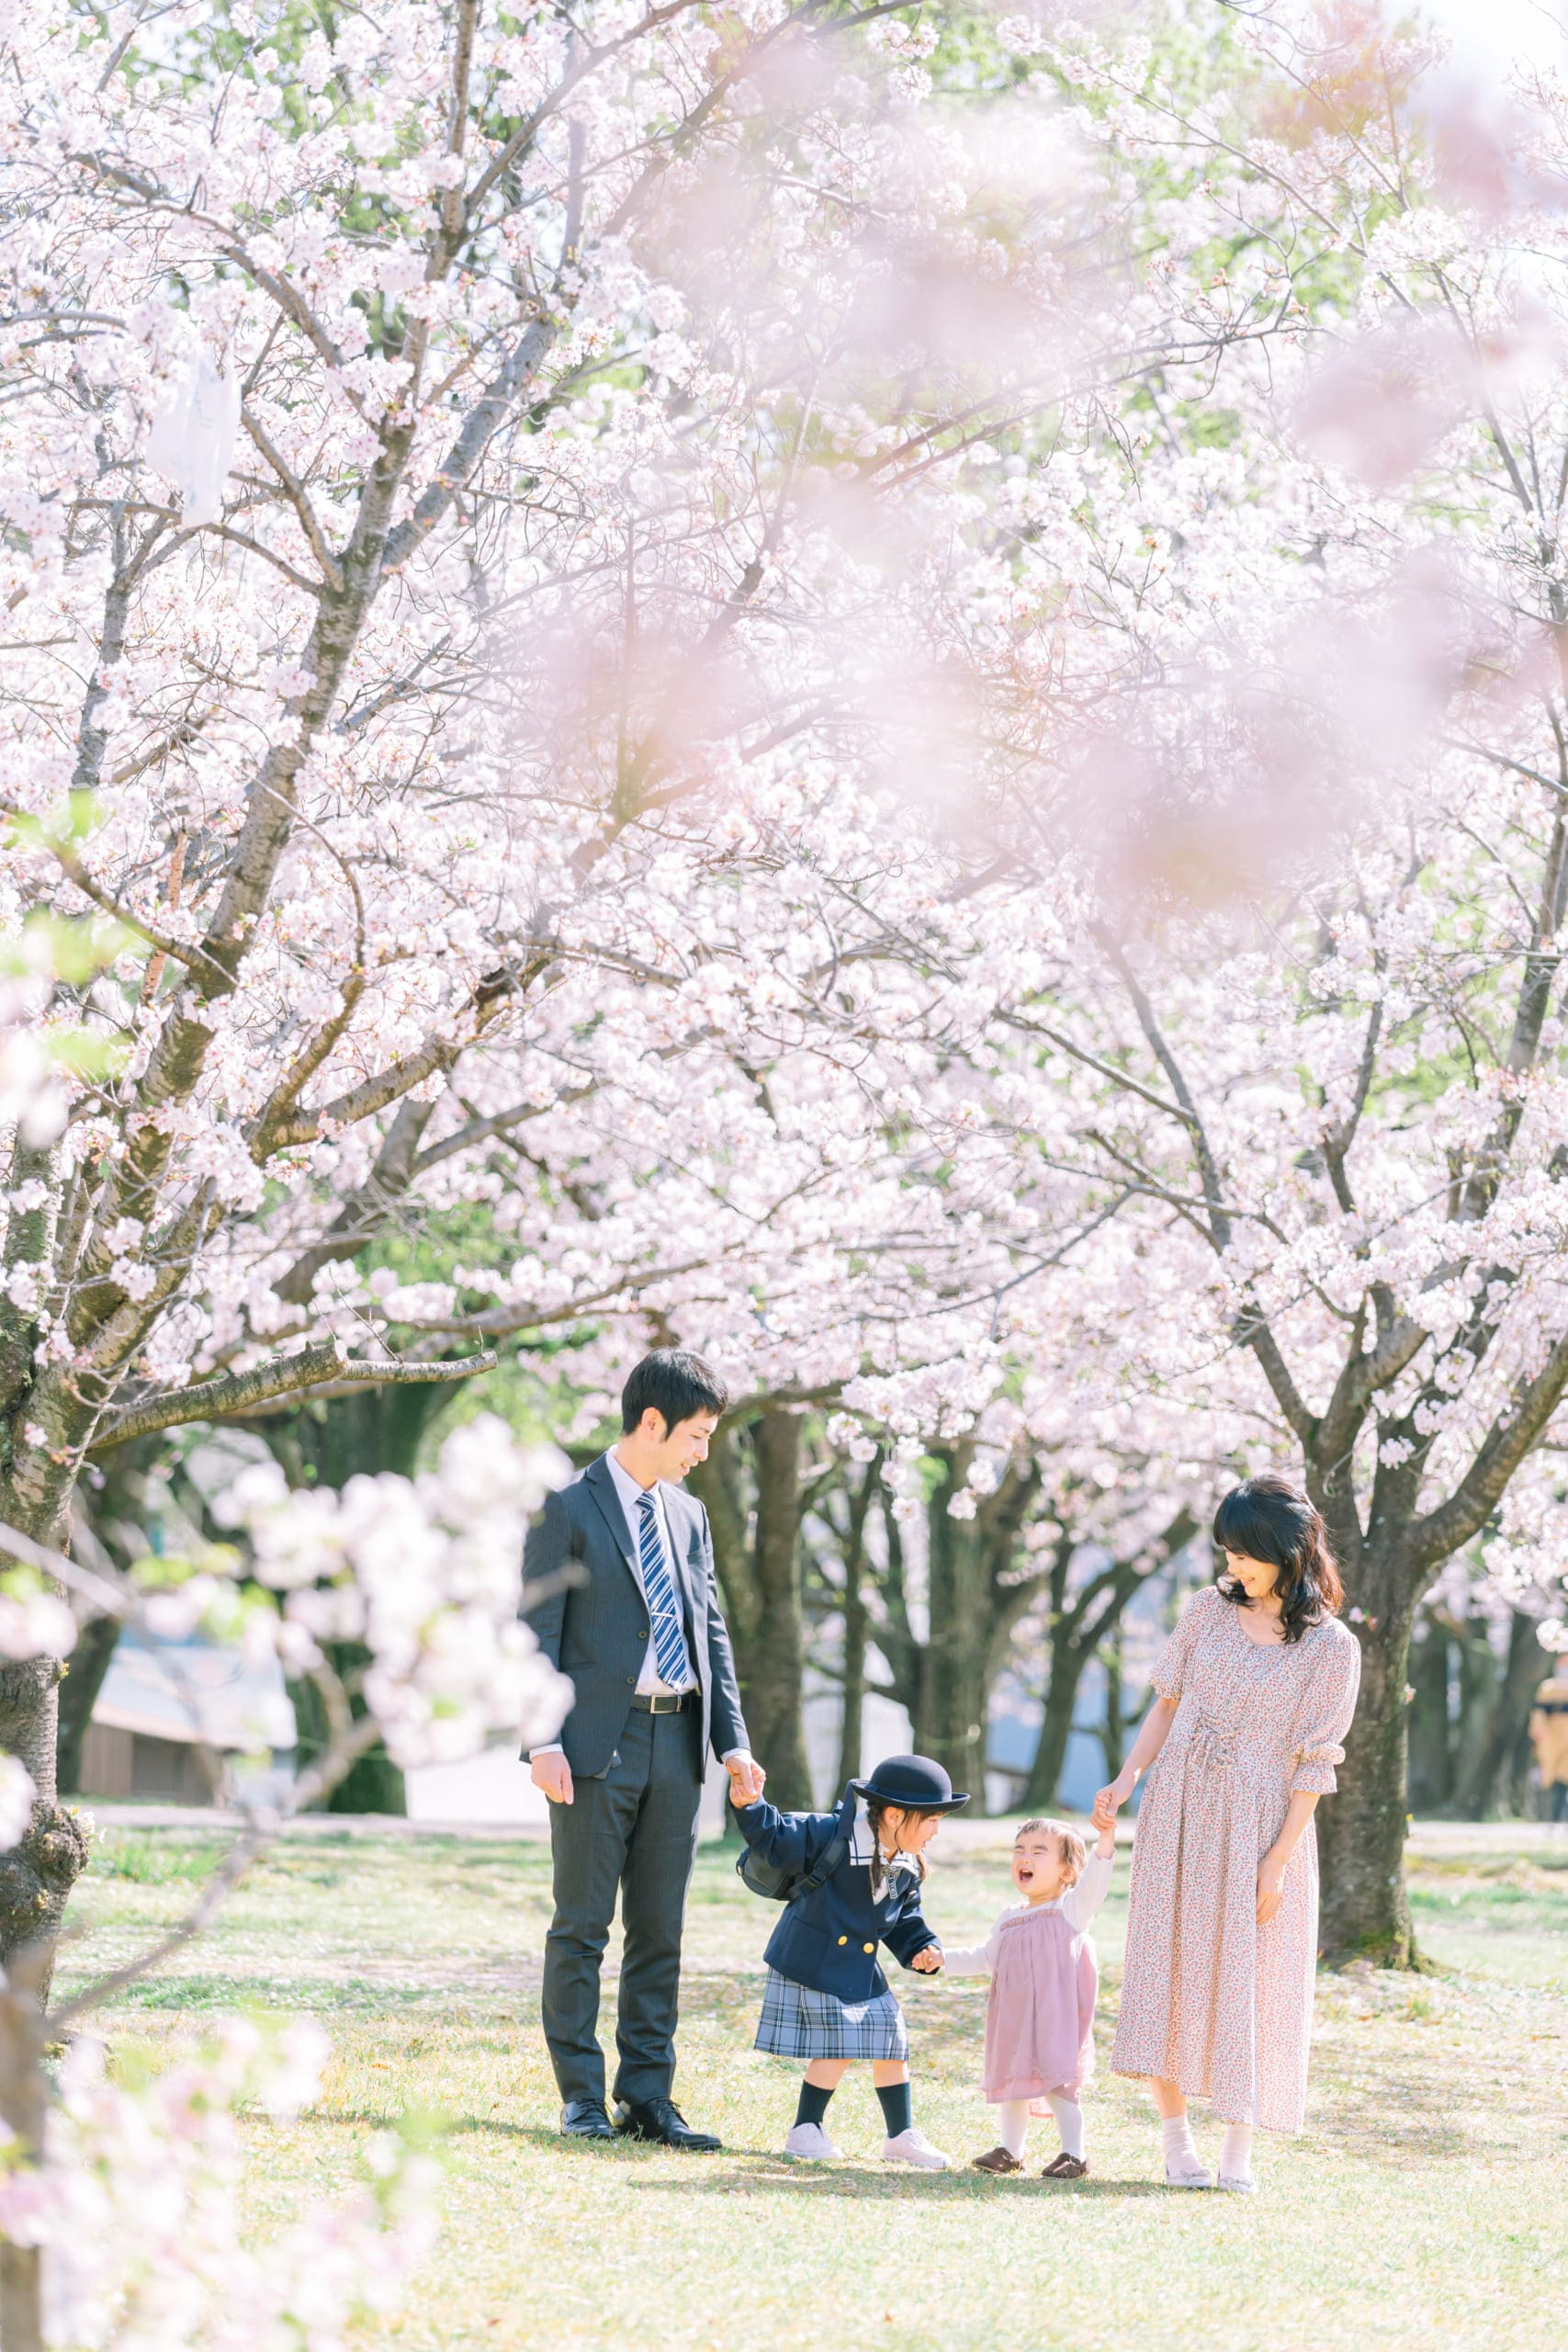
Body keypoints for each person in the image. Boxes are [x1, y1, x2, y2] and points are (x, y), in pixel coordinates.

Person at [523, 1349, 764, 2150]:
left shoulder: (687, 1514)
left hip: (678, 1739)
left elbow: (710, 1630)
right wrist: (540, 1742)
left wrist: (732, 1743)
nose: (702, 1452)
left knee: (660, 1928)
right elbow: (534, 1634)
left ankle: (648, 2098)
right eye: (696, 1435)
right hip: (595, 1742)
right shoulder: (565, 1507)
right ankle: (580, 2097)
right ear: (651, 1422)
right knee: (582, 1927)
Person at [1096, 1473, 1360, 2192]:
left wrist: (1276, 1861)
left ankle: (1237, 2151)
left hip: (1260, 1825)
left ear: (1288, 1550)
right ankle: (1176, 2141)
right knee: (1166, 1968)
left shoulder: (1331, 1648)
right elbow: (1164, 1705)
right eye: (1226, 1551)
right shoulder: (1206, 1612)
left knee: (1251, 1977)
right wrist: (1126, 1781)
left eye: (1246, 1552)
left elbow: (1313, 1767)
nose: (1232, 1566)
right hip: (1178, 1807)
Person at [730, 1753, 966, 2170]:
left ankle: (900, 2136)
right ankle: (805, 2130)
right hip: (814, 1957)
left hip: (858, 1963)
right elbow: (775, 1838)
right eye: (931, 1820)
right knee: (839, 2044)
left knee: (891, 2039)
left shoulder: (907, 1862)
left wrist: (920, 1948)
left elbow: (902, 1918)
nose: (936, 1831)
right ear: (894, 1815)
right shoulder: (831, 1834)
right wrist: (750, 1804)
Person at [941, 1815, 1114, 2180]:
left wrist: (1107, 1838)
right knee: (1013, 2080)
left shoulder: (1070, 1911)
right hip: (1015, 2020)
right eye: (1019, 1849)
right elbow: (985, 1958)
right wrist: (941, 1960)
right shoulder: (1008, 1919)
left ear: (1067, 1872)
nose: (1025, 1857)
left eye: (1039, 1851)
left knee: (1058, 2084)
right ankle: (1011, 2151)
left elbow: (1096, 1883)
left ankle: (1074, 2154)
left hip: (1055, 2018)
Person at [1529, 1668, 1568, 1822]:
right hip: (1553, 1737)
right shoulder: (1548, 1687)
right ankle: (1555, 1818)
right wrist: (1540, 1731)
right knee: (1556, 1779)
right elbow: (1539, 1712)